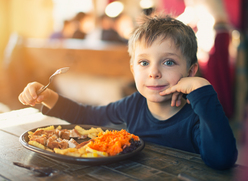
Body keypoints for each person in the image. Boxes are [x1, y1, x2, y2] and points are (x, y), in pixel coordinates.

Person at [18, 14, 237, 170]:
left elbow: (222, 160)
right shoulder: (133, 104)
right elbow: (88, 116)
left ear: (190, 72)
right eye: (144, 62)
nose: (154, 72)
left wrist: (203, 91)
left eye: (168, 62)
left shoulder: (197, 116)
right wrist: (48, 97)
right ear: (133, 69)